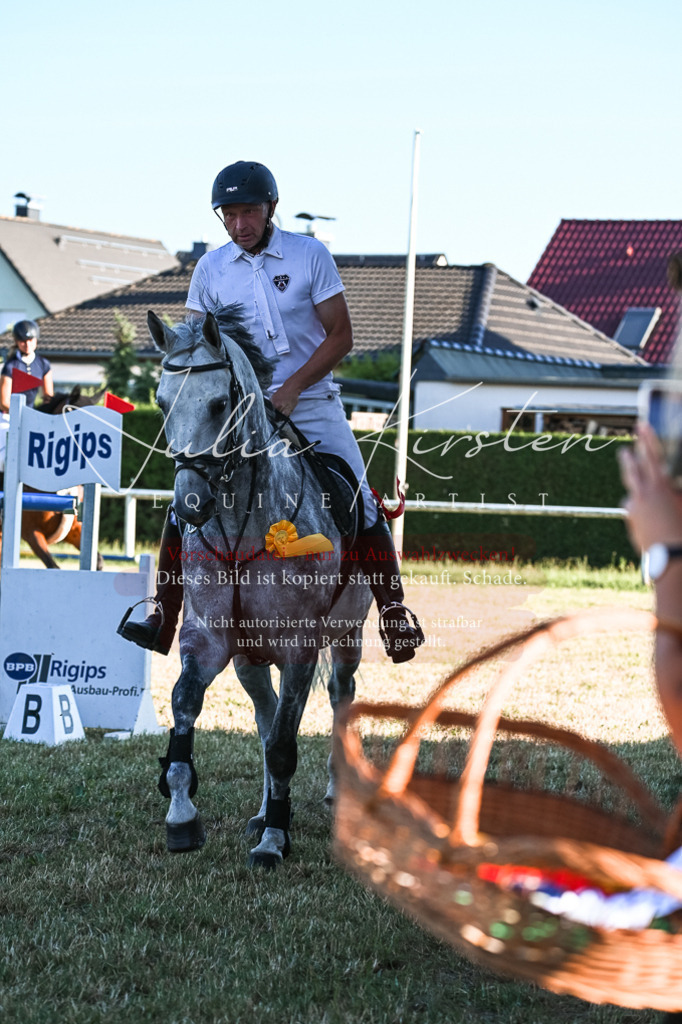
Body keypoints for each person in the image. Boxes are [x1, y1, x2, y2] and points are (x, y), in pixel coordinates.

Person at [119, 160, 424, 663]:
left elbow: (341, 335)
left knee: (362, 501)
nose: (240, 224)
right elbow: (196, 343)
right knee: (185, 501)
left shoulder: (309, 255)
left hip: (314, 404)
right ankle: (162, 614)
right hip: (239, 414)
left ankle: (393, 612)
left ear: (271, 209)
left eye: (249, 212)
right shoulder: (210, 269)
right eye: (230, 214)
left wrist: (294, 388)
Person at [1, 319, 53, 412]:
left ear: (36, 339)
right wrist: (22, 415)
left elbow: (48, 397)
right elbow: (4, 403)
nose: (27, 344)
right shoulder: (10, 366)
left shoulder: (44, 364)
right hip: (8, 415)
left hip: (32, 413)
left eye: (30, 340)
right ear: (17, 342)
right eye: (23, 341)